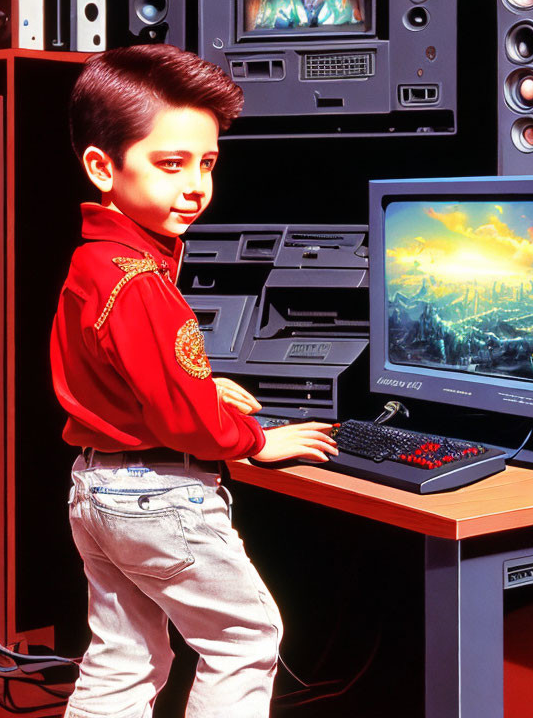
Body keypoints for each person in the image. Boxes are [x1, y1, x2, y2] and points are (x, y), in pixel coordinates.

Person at [50, 44, 338, 718]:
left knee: (126, 658)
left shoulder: (95, 260)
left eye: (207, 163)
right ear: (102, 166)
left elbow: (113, 377)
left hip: (96, 488)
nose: (195, 186)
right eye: (170, 164)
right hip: (161, 498)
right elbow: (183, 423)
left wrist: (199, 390)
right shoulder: (143, 282)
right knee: (245, 635)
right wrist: (254, 440)